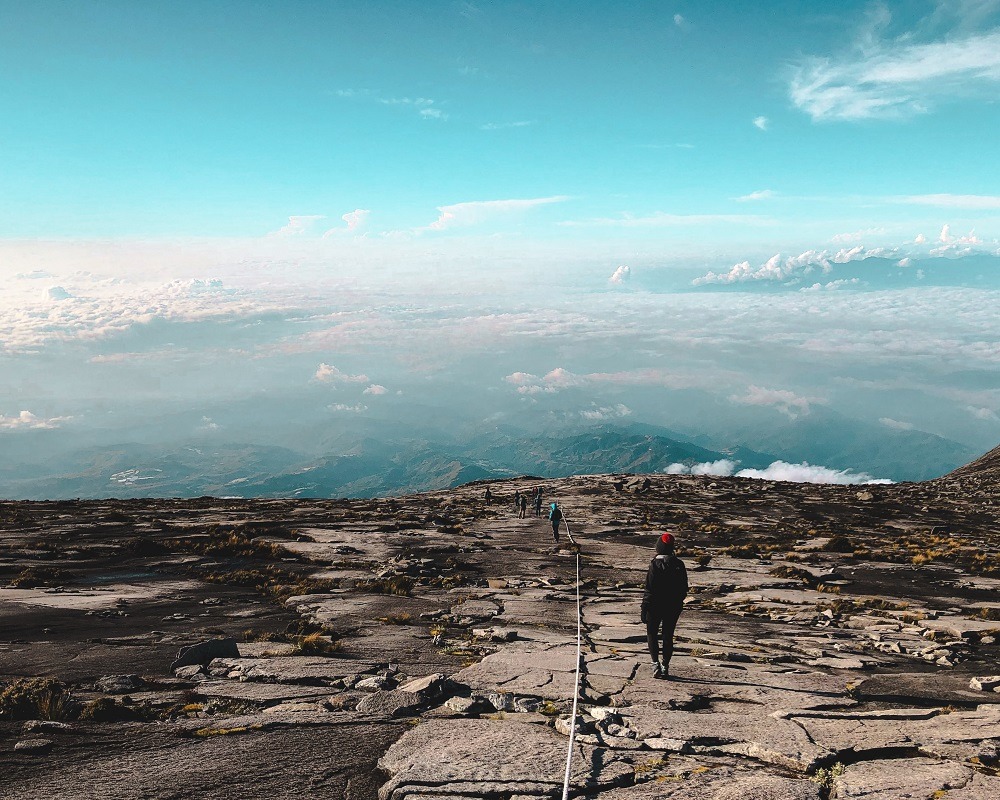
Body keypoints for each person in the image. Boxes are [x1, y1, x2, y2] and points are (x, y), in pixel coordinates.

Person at [640, 533, 688, 680]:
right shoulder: (679, 564)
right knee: (668, 635)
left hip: (655, 605)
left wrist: (644, 607)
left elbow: (650, 588)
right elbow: (684, 588)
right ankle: (665, 665)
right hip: (672, 606)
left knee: (652, 633)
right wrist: (678, 602)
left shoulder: (654, 564)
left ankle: (655, 664)